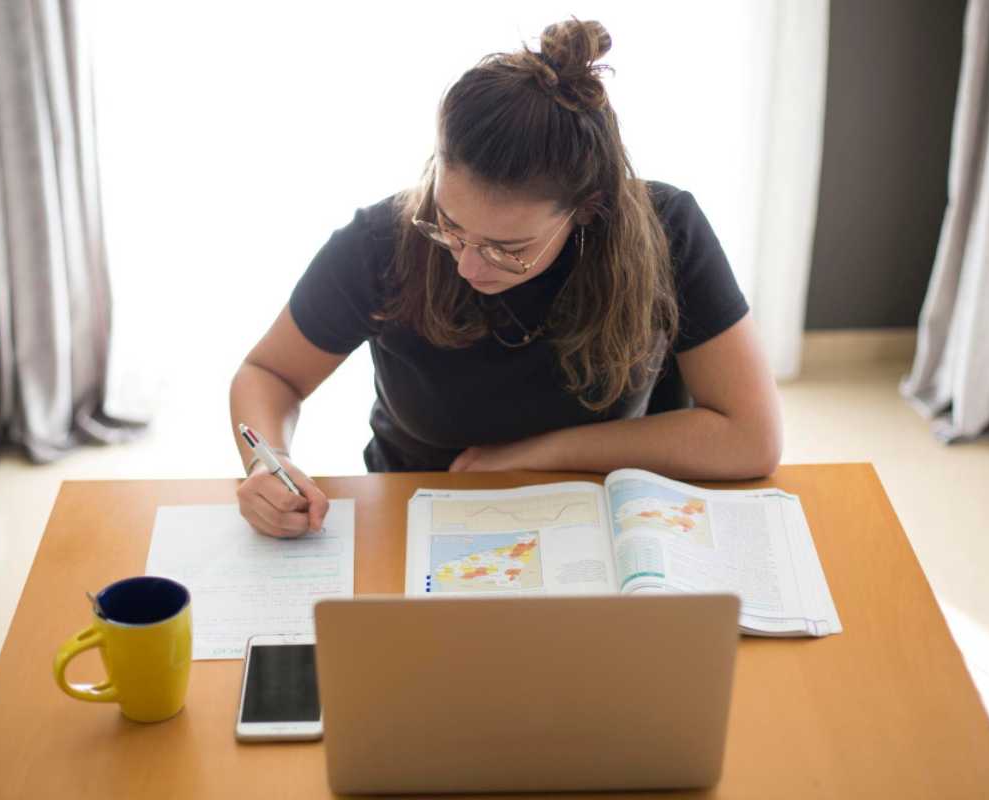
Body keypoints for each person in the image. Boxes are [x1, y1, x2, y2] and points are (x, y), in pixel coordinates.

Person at [230, 19, 782, 539]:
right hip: (417, 510)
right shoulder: (382, 242)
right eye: (449, 225)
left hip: (596, 511)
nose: (468, 265)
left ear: (586, 209)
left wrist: (537, 454)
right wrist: (265, 462)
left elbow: (750, 436)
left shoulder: (667, 230)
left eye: (508, 248)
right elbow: (269, 373)